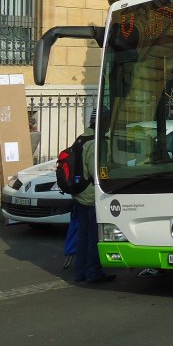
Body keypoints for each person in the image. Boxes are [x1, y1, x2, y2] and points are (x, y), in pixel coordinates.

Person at [73, 121, 115, 284]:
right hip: (91, 196)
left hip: (80, 195)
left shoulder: (82, 138)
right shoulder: (94, 143)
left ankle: (80, 272)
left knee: (83, 235)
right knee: (94, 236)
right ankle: (93, 272)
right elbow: (96, 172)